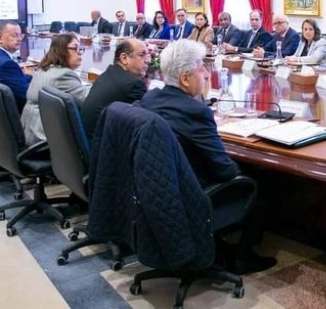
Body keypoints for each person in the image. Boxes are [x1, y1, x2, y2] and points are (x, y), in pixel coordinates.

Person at [137, 40, 277, 274]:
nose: (206, 74)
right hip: (193, 195)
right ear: (184, 78)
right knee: (260, 182)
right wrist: (242, 170)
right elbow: (225, 170)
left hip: (161, 191)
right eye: (202, 68)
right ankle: (242, 256)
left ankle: (216, 243)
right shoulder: (196, 111)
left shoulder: (149, 99)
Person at [21, 34, 91, 145]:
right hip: (44, 141)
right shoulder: (63, 74)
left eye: (80, 48)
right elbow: (88, 99)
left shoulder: (43, 69)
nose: (79, 53)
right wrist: (100, 83)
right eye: (75, 48)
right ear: (61, 50)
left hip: (30, 132)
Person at [80, 38, 148, 141]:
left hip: (88, 139)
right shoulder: (133, 85)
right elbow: (147, 122)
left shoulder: (108, 73)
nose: (148, 60)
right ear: (124, 58)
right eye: (142, 55)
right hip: (102, 146)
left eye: (147, 55)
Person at [0, 20, 33, 111]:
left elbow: (11, 81)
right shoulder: (6, 65)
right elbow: (27, 96)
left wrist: (27, 76)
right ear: (0, 38)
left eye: (21, 35)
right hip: (18, 114)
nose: (19, 39)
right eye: (14, 35)